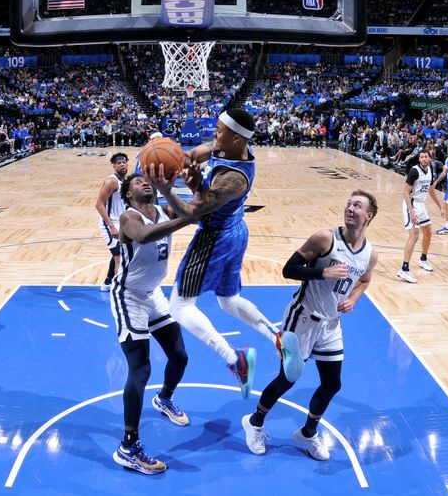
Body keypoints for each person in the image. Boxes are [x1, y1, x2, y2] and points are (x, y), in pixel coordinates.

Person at [146, 108, 303, 398]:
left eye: (219, 130)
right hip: (235, 231)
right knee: (229, 300)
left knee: (180, 307)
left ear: (235, 137)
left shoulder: (234, 180)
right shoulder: (232, 147)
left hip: (215, 239)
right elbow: (196, 155)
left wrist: (166, 190)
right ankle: (277, 337)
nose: (213, 133)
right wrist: (182, 164)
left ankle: (235, 359)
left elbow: (193, 212)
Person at [241, 191, 379, 460]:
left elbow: (364, 280)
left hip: (331, 325)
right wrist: (321, 272)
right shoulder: (325, 238)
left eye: (357, 205)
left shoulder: (370, 254)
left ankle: (307, 433)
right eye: (349, 203)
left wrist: (352, 298)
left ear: (368, 216)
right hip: (302, 318)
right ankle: (254, 422)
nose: (350, 208)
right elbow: (288, 269)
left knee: (332, 384)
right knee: (288, 379)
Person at [110, 174, 193, 475]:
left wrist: (176, 189)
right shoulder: (128, 217)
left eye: (147, 180)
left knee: (180, 355)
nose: (144, 183)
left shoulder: (162, 210)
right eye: (137, 182)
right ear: (128, 195)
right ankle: (128, 447)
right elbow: (144, 236)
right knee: (141, 368)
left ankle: (164, 399)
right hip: (128, 296)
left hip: (153, 293)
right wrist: (186, 218)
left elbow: (192, 208)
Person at [397, 149, 443, 283]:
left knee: (428, 233)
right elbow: (405, 192)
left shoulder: (430, 170)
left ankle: (423, 259)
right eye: (422, 157)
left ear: (429, 158)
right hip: (411, 204)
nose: (424, 159)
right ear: (419, 159)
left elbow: (431, 190)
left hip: (421, 205)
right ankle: (404, 269)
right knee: (414, 235)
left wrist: (440, 207)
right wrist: (411, 211)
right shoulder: (414, 171)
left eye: (426, 157)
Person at [96, 153, 129, 292]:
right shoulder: (112, 181)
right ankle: (119, 291)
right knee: (120, 258)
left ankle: (108, 282)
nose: (122, 164)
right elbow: (99, 204)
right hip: (109, 224)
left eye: (123, 162)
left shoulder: (125, 181)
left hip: (121, 223)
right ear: (114, 166)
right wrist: (111, 227)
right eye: (118, 163)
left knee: (120, 253)